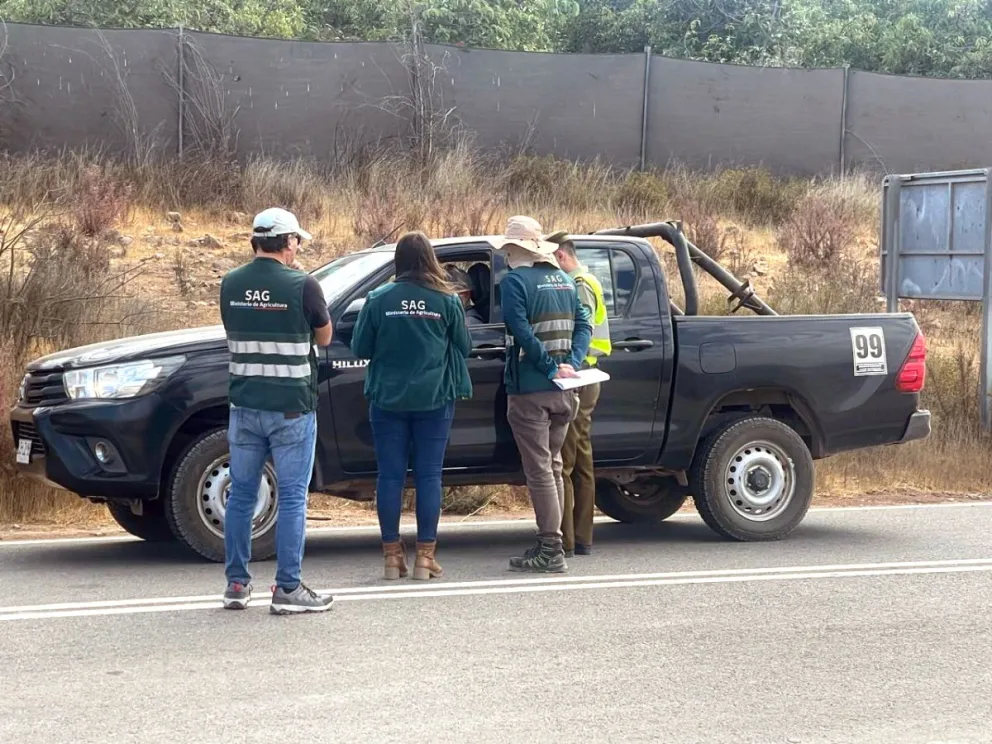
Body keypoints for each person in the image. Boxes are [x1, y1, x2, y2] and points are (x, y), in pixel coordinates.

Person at [219, 207, 335, 615]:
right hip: (291, 408)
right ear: (287, 241)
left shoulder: (230, 283)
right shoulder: (303, 284)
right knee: (292, 497)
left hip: (245, 404)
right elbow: (325, 336)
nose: (298, 246)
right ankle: (287, 587)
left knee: (240, 495)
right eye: (297, 240)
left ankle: (236, 584)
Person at [351, 231, 472, 581]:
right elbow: (464, 346)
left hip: (387, 398)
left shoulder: (378, 298)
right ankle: (425, 557)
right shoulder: (447, 300)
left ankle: (392, 557)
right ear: (430, 259)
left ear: (398, 261)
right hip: (434, 397)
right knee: (429, 475)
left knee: (390, 476)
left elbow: (360, 347)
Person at [493, 215, 593, 573]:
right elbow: (585, 324)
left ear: (515, 249)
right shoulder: (565, 280)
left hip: (531, 389)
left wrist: (550, 367)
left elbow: (520, 330)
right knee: (553, 466)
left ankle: (550, 547)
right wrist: (571, 364)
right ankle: (554, 543)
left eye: (508, 249)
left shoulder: (515, 281)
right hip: (565, 390)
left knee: (539, 471)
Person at [552, 237, 612, 558]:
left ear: (561, 256)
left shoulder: (579, 285)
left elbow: (583, 328)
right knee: (581, 459)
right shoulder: (588, 280)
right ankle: (581, 537)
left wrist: (570, 365)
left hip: (579, 377)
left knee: (565, 461)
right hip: (587, 376)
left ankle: (565, 540)